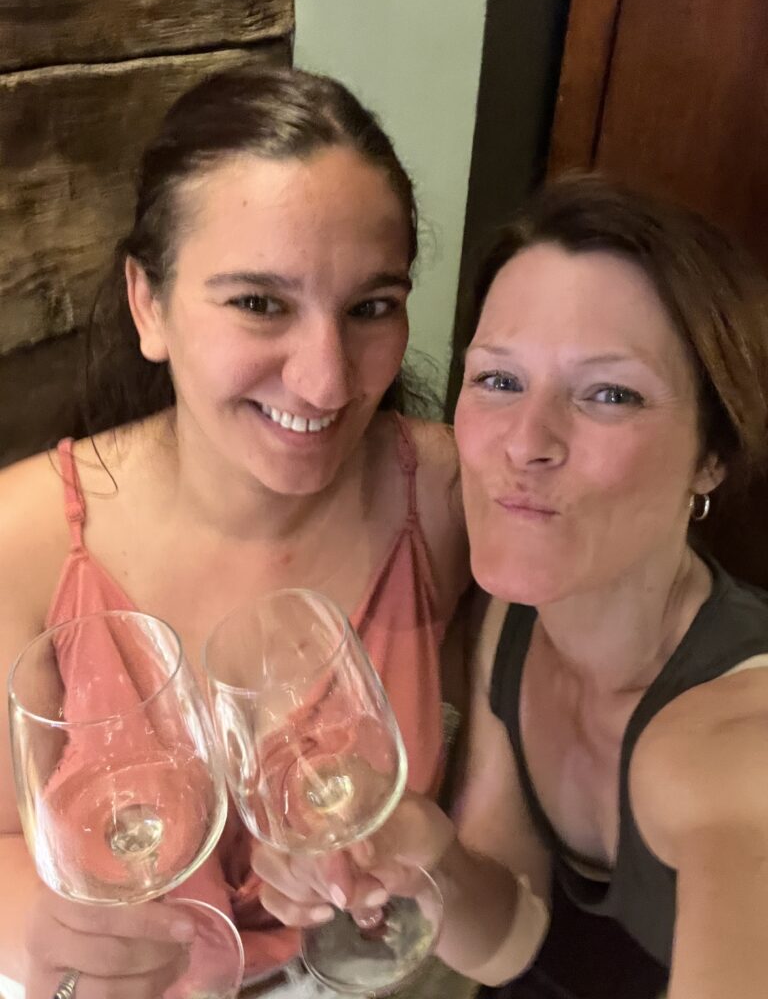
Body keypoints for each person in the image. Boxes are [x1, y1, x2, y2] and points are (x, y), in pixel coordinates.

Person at [0, 66, 470, 998]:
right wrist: (17, 908)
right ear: (148, 304)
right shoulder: (22, 539)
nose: (327, 382)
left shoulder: (452, 496)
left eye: (371, 307)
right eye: (259, 303)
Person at [255, 175, 768, 999]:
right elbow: (505, 941)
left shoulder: (739, 750)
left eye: (609, 394)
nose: (525, 443)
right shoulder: (517, 621)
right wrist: (422, 849)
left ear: (713, 454)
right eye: (498, 380)